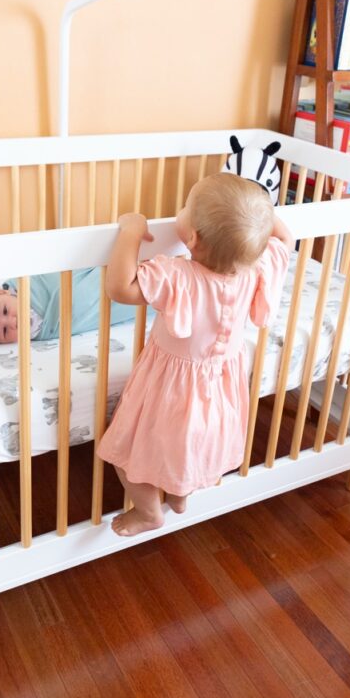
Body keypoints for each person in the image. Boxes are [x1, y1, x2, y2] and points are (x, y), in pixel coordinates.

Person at [97, 172, 293, 537]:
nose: (181, 207)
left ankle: (148, 512)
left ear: (192, 238)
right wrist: (257, 218)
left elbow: (120, 287)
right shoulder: (256, 269)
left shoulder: (179, 276)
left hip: (170, 392)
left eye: (186, 205)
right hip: (219, 392)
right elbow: (284, 237)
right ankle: (180, 495)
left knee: (126, 451)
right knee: (191, 447)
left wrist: (131, 231)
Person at [0, 269, 139, 344]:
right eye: (5, 331)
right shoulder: (39, 334)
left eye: (5, 311)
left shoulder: (28, 283)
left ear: (2, 292)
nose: (13, 322)